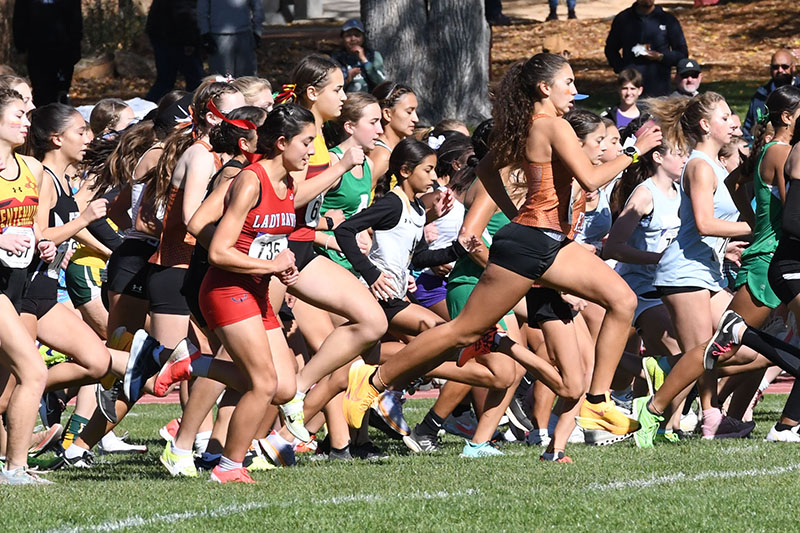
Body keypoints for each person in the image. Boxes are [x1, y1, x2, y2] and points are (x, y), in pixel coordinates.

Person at [341, 53, 662, 438]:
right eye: (569, 83)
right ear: (545, 88)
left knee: (622, 301)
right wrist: (636, 151)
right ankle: (373, 381)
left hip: (543, 240)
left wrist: (516, 214)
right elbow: (592, 179)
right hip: (532, 243)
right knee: (463, 331)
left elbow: (488, 169)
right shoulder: (553, 126)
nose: (575, 92)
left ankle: (595, 404)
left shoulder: (526, 126)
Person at [604, 0, 688, 97]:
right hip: (631, 89)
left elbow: (682, 53)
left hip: (659, 89)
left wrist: (661, 57)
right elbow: (611, 49)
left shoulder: (668, 20)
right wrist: (622, 69)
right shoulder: (623, 19)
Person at [12, 0, 82, 106]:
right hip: (36, 51)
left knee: (61, 92)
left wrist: (75, 49)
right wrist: (21, 48)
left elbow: (76, 20)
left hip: (63, 51)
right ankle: (41, 119)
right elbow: (19, 19)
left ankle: (60, 119)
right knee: (41, 92)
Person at [144, 0, 205, 103]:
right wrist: (189, 41)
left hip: (163, 35)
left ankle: (146, 107)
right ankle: (196, 109)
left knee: (165, 81)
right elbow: (184, 13)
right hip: (176, 38)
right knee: (195, 81)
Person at [743, 49, 800, 145]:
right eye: (775, 67)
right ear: (770, 69)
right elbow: (748, 130)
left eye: (784, 66)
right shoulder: (760, 96)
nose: (780, 70)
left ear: (793, 67)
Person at [197, 0, 264, 78]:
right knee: (246, 80)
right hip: (241, 34)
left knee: (223, 80)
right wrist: (257, 31)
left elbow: (202, 11)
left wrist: (205, 32)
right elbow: (258, 8)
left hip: (220, 35)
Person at [330, 19, 386, 94]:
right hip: (348, 100)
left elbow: (381, 83)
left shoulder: (373, 55)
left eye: (357, 35)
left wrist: (364, 60)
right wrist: (348, 78)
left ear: (363, 38)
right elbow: (332, 86)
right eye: (348, 35)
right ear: (343, 38)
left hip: (370, 100)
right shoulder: (337, 58)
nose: (353, 39)